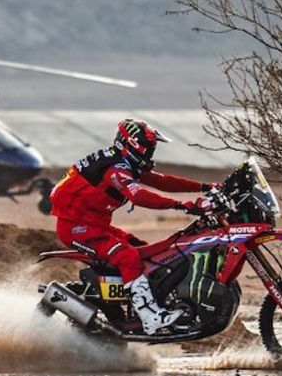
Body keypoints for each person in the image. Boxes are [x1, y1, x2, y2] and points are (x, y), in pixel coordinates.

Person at [49, 119, 215, 334]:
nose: (150, 154)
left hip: (95, 225)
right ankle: (150, 317)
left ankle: (137, 309)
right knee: (128, 257)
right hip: (76, 228)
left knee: (149, 253)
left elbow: (163, 181)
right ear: (131, 145)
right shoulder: (114, 168)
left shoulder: (125, 163)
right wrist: (181, 205)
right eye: (148, 149)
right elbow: (138, 196)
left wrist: (206, 187)